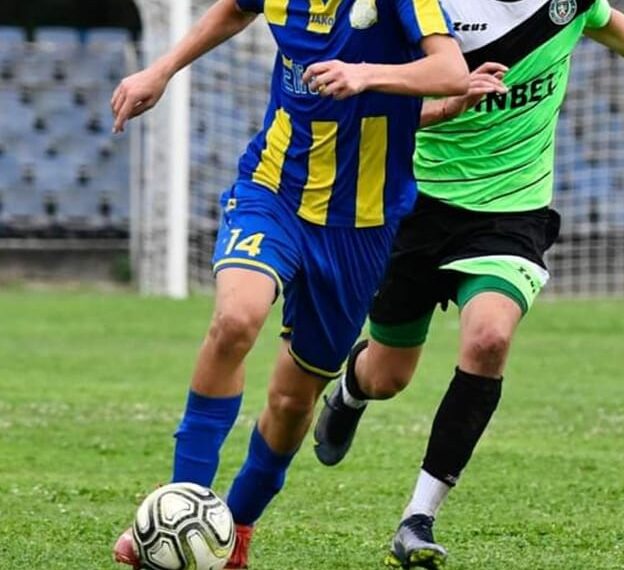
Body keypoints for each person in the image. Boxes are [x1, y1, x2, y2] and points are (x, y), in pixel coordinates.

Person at [313, 0, 624, 568]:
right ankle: (352, 390)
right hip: (416, 203)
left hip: (512, 210)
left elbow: (602, 19)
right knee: (387, 377)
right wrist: (446, 105)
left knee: (489, 339)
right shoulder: (426, 8)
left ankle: (418, 518)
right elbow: (373, 111)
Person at [110, 0, 472, 567]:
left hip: (360, 228)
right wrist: (160, 70)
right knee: (236, 320)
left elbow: (451, 70)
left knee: (291, 398)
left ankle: (236, 527)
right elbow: (234, 9)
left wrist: (366, 75)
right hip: (273, 190)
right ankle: (180, 505)